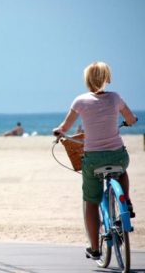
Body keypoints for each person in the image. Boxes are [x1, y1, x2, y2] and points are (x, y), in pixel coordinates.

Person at [52, 62, 137, 260]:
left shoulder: (80, 101)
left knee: (90, 201)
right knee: (122, 171)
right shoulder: (115, 98)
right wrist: (129, 122)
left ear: (87, 80)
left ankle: (95, 248)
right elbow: (131, 118)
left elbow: (64, 127)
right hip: (117, 155)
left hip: (93, 159)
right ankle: (127, 202)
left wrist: (58, 132)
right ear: (107, 78)